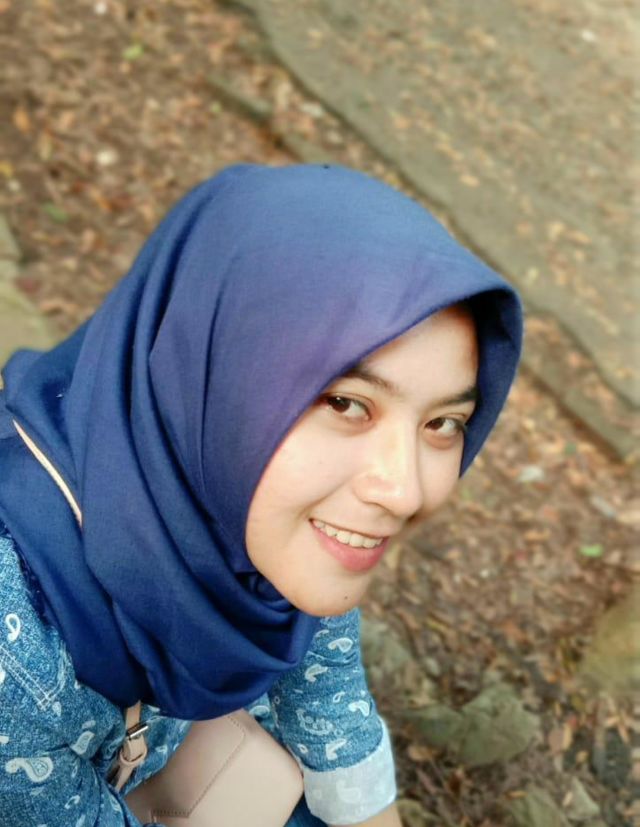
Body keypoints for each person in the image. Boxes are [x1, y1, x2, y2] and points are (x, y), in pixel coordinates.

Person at [0, 164, 522, 826]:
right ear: (214, 372)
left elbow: (326, 683)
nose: (402, 490)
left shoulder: (245, 493)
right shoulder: (14, 660)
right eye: (346, 403)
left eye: (443, 423)